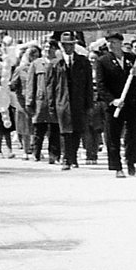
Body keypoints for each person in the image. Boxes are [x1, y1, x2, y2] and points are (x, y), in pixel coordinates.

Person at [94, 32, 136, 177]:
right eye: (108, 42)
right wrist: (112, 100)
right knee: (113, 136)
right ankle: (117, 166)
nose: (111, 45)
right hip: (114, 104)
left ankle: (131, 160)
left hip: (131, 102)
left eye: (114, 42)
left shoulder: (131, 58)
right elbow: (101, 85)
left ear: (121, 43)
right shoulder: (102, 61)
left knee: (134, 133)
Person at [49, 31, 94, 171]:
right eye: (65, 45)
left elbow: (88, 85)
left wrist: (89, 103)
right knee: (64, 131)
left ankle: (73, 157)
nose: (68, 47)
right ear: (61, 46)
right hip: (62, 101)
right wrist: (51, 105)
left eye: (71, 44)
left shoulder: (83, 61)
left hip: (78, 101)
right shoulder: (55, 64)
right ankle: (66, 158)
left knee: (77, 130)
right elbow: (50, 86)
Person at [26, 39, 62, 163]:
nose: (48, 49)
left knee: (55, 130)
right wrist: (29, 101)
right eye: (46, 47)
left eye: (50, 47)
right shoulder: (36, 64)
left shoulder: (59, 63)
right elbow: (31, 84)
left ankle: (54, 156)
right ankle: (36, 153)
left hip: (55, 101)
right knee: (38, 130)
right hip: (40, 101)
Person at [9, 44, 38, 159]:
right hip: (23, 101)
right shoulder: (20, 69)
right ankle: (26, 150)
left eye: (36, 56)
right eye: (32, 56)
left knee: (36, 126)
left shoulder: (40, 67)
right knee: (25, 127)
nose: (33, 58)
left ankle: (36, 149)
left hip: (36, 100)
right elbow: (13, 84)